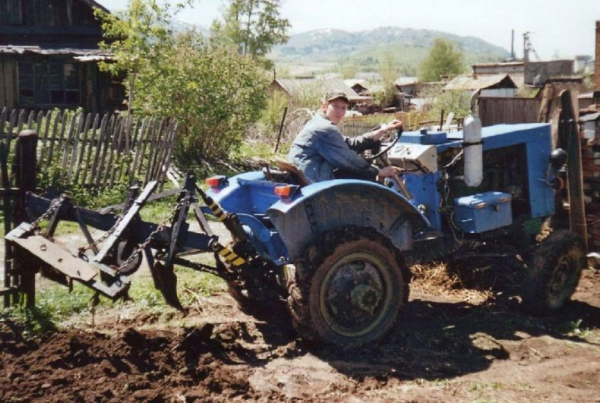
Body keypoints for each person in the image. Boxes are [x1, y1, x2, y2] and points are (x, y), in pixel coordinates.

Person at [288, 91, 403, 183]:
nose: (339, 112)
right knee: (366, 181)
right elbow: (349, 161)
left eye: (343, 108)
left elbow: (348, 144)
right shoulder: (325, 128)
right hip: (314, 178)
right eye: (336, 106)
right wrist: (379, 172)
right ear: (325, 106)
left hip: (309, 171)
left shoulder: (317, 122)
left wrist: (383, 130)